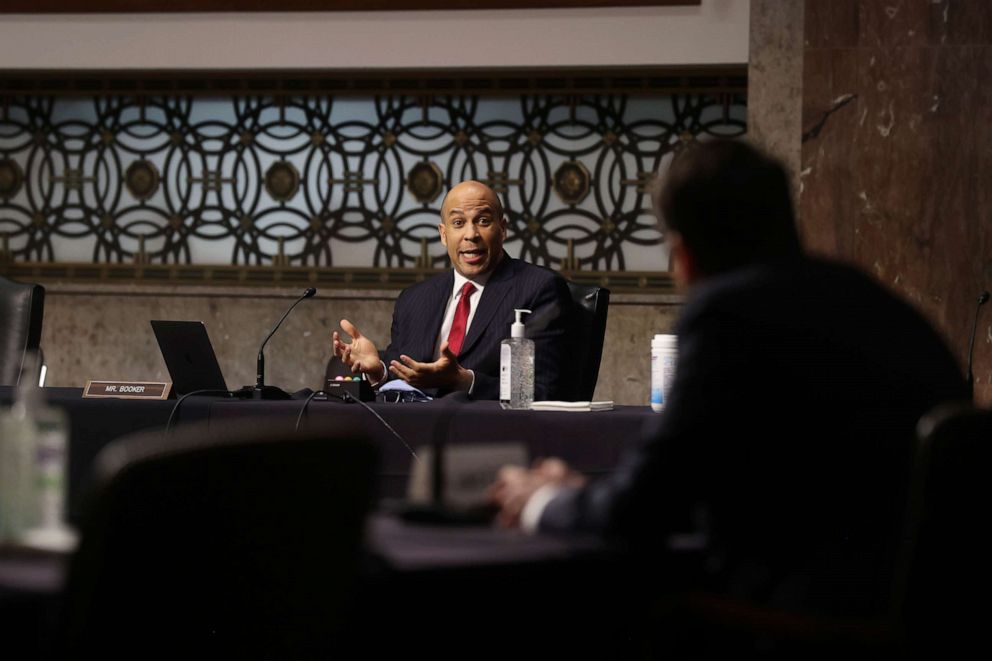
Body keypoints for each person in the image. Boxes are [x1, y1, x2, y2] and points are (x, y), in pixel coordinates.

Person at [490, 139, 968, 615]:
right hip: (944, 615)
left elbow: (642, 512)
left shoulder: (726, 314)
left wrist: (544, 502)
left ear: (685, 255)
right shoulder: (869, 299)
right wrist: (587, 494)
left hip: (802, 625)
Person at [331, 180, 571, 400]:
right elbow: (404, 384)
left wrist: (463, 381)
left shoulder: (538, 289)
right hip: (412, 432)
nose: (471, 235)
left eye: (483, 221)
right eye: (458, 223)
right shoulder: (414, 299)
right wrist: (380, 371)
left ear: (503, 229)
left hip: (489, 436)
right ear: (444, 235)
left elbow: (543, 391)